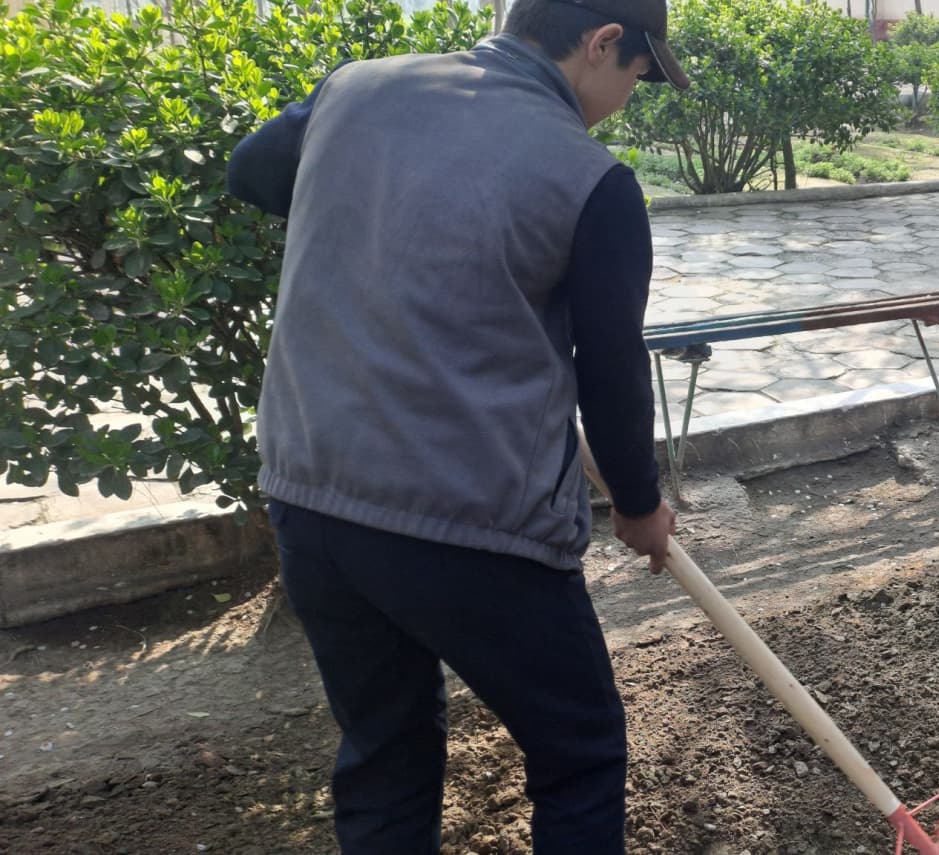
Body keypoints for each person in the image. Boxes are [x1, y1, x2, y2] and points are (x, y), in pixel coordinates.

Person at [226, 0, 688, 849]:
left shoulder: (354, 90)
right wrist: (637, 504)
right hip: (472, 523)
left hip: (311, 496)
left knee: (386, 748)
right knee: (579, 750)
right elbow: (612, 372)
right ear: (602, 43)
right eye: (638, 75)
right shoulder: (593, 181)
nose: (630, 95)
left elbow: (249, 171)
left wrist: (390, 214)